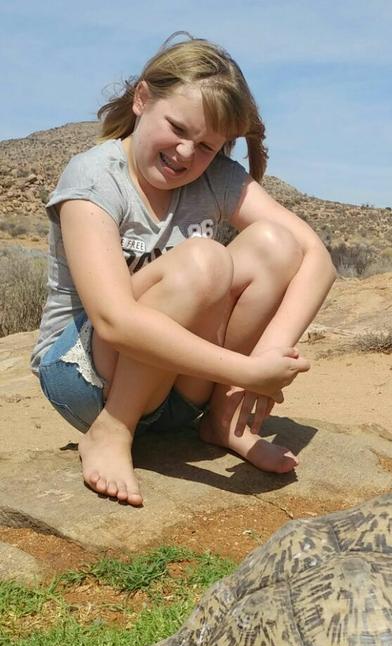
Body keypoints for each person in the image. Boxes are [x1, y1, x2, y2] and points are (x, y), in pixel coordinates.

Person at [30, 33, 336, 507]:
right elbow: (113, 319)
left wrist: (267, 358)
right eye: (177, 127)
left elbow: (315, 256)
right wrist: (251, 370)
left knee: (277, 245)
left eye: (208, 146)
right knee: (205, 258)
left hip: (176, 389)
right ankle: (113, 430)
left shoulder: (215, 178)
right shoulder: (94, 177)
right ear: (142, 99)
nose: (187, 154)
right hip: (88, 376)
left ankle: (225, 419)